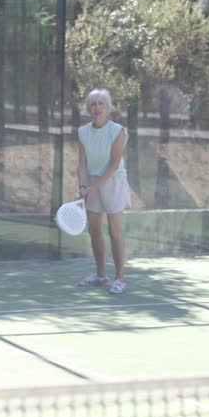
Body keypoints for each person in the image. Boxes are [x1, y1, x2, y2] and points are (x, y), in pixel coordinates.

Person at [77, 88, 131, 294]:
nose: (97, 107)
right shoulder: (83, 132)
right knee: (94, 230)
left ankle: (120, 279)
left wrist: (94, 187)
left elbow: (114, 163)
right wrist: (83, 186)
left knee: (114, 232)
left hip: (113, 181)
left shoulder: (118, 131)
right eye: (93, 104)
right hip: (92, 183)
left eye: (101, 103)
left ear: (108, 108)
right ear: (88, 108)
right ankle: (101, 275)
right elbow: (82, 164)